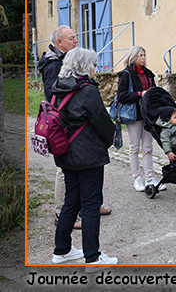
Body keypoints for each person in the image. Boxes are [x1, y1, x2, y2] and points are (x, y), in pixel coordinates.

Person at [50, 48, 118, 270]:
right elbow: (102, 121)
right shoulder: (87, 90)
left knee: (72, 200)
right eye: (93, 64)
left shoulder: (58, 87)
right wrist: (108, 140)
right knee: (90, 204)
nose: (95, 69)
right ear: (84, 66)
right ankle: (93, 258)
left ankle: (62, 250)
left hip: (65, 152)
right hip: (88, 154)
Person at [38, 26, 111, 229]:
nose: (76, 41)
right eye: (71, 38)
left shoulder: (65, 60)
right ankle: (62, 212)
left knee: (80, 174)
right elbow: (55, 97)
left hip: (74, 128)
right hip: (65, 129)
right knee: (65, 172)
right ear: (59, 42)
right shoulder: (54, 64)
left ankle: (88, 205)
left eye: (75, 37)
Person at [116, 46, 164, 192]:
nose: (143, 58)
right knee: (135, 147)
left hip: (147, 114)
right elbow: (121, 96)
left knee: (148, 147)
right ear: (133, 57)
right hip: (133, 115)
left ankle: (150, 178)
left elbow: (154, 91)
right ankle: (137, 178)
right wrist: (139, 94)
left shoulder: (148, 73)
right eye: (141, 55)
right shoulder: (126, 74)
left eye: (144, 55)